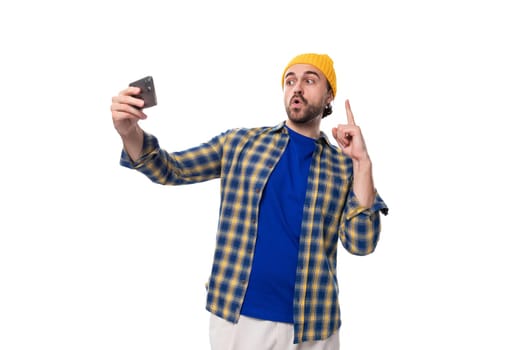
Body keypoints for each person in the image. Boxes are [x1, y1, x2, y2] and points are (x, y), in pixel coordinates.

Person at [111, 53, 388, 350]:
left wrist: (362, 163)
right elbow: (170, 169)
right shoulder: (240, 143)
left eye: (310, 80)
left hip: (314, 326)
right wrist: (130, 132)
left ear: (329, 95)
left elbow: (362, 244)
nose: (297, 88)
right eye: (290, 80)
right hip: (238, 320)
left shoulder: (345, 166)